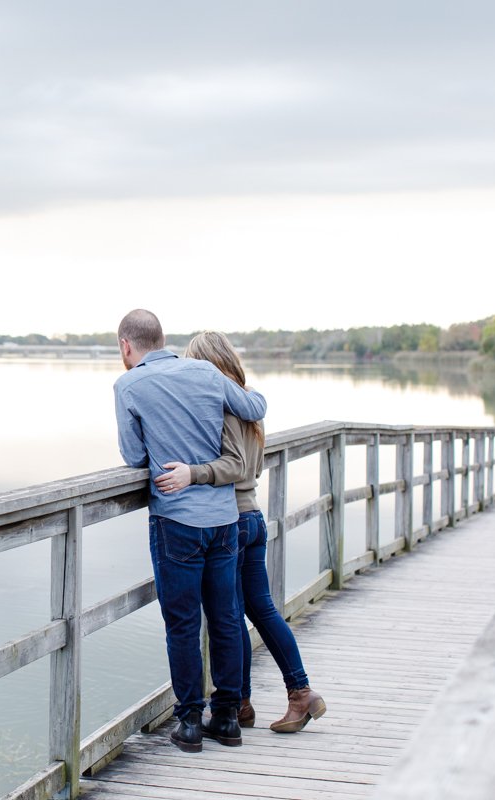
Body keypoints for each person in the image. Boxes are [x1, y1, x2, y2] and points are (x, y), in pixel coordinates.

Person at [155, 330, 327, 734]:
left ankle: (264, 698)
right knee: (253, 610)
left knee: (231, 616)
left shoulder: (224, 405)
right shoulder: (249, 402)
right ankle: (263, 700)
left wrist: (193, 473)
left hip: (231, 520)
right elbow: (254, 466)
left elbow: (234, 466)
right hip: (253, 517)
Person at [113, 310, 268, 752]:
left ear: (127, 346)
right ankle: (228, 719)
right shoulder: (204, 371)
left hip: (176, 520)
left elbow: (133, 456)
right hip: (223, 521)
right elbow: (254, 407)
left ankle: (189, 723)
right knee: (224, 619)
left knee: (181, 625)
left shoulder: (128, 386)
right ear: (163, 338)